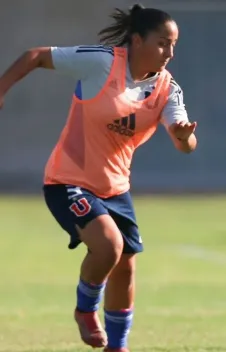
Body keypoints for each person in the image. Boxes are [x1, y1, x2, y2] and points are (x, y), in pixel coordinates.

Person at [0, 4, 196, 352]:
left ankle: (117, 346)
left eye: (174, 44)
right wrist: (2, 88)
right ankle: (85, 309)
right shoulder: (102, 63)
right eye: (163, 43)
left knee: (125, 267)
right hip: (67, 180)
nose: (170, 52)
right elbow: (35, 56)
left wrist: (183, 136)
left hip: (115, 189)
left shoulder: (167, 89)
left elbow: (186, 144)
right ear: (137, 40)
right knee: (109, 246)